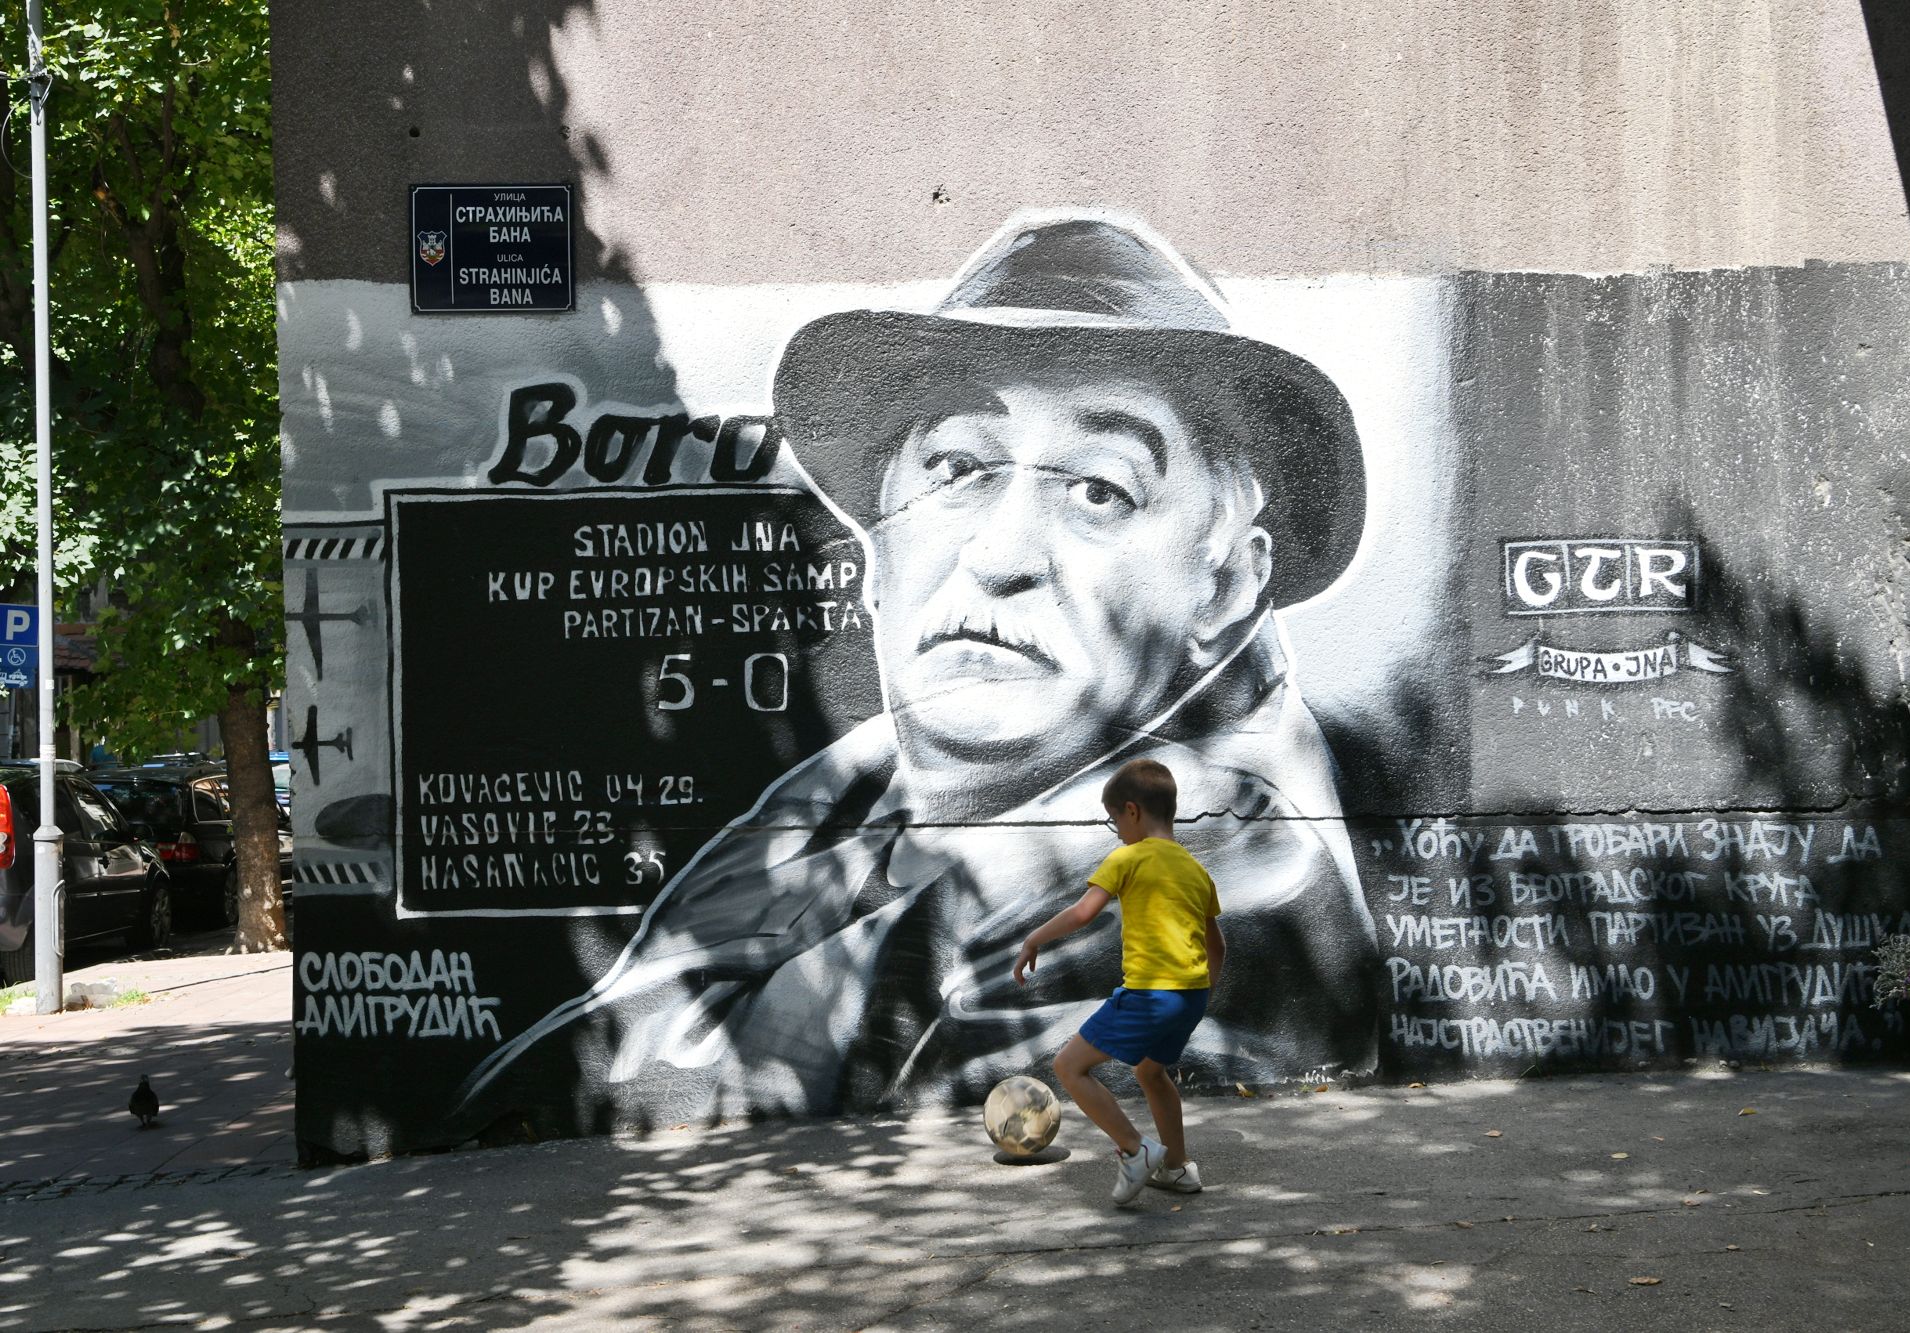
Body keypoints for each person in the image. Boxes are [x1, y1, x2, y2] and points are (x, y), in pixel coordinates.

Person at [453, 213, 1382, 1124]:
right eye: (957, 467)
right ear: (878, 546)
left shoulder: (1217, 879)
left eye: (1100, 489)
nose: (1001, 554)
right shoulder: (834, 812)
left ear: (1226, 587)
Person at [1014, 757, 1219, 1204]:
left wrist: (1033, 938)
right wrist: (1201, 994)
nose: (1117, 832)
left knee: (1069, 1067)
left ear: (1132, 811)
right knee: (1151, 1072)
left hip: (1149, 994)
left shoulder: (1127, 858)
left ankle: (1134, 1148)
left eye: (1115, 821)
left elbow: (1083, 912)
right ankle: (1178, 1169)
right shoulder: (1195, 869)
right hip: (1191, 996)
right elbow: (1215, 945)